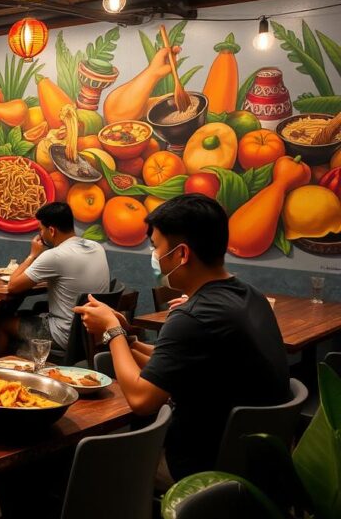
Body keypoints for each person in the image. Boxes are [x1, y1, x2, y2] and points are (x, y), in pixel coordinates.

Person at [73, 194, 289, 481]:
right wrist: (129, 338)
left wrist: (111, 331)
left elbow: (141, 399)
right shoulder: (251, 297)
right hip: (258, 465)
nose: (155, 257)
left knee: (82, 466)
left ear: (182, 254)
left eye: (156, 247)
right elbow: (177, 362)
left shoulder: (192, 316)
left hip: (204, 472)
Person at [7, 202, 110, 352]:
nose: (40, 235)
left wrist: (32, 255)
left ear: (52, 230)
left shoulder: (54, 256)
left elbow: (13, 286)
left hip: (65, 335)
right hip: (94, 333)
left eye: (41, 230)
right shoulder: (97, 247)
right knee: (35, 311)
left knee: (3, 324)